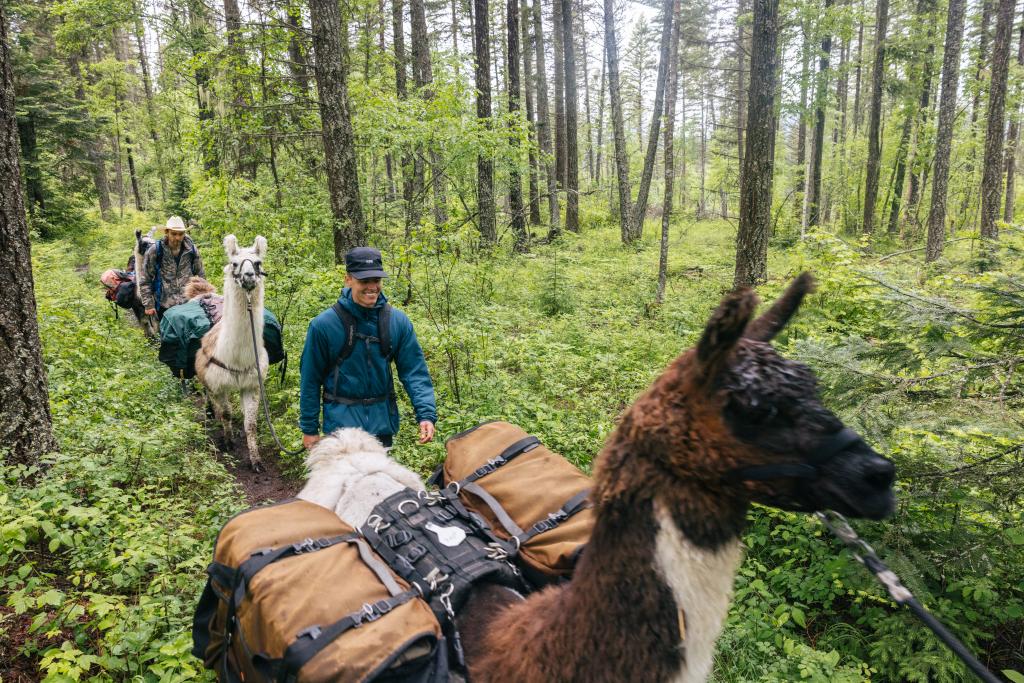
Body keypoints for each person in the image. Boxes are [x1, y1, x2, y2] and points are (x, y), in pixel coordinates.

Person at [299, 247, 437, 450]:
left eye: (376, 280)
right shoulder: (324, 325)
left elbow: (414, 371)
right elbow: (310, 380)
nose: (372, 287)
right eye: (364, 281)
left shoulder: (396, 321)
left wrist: (425, 414)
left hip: (381, 429)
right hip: (340, 432)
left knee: (377, 482)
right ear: (348, 279)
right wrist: (309, 429)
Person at [140, 216, 205, 319]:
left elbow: (201, 274)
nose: (178, 238)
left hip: (188, 303)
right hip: (165, 305)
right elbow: (145, 278)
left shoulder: (191, 250)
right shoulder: (155, 250)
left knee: (191, 334)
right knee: (168, 334)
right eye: (174, 234)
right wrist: (148, 304)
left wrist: (203, 297)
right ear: (167, 232)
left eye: (181, 234)